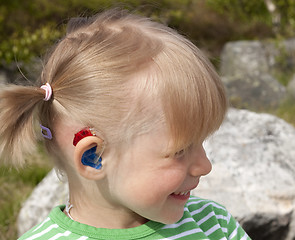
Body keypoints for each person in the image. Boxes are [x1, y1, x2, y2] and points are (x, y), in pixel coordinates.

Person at [0, 9, 251, 240]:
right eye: (180, 151)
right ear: (93, 156)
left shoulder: (212, 224)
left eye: (201, 142)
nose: (204, 166)